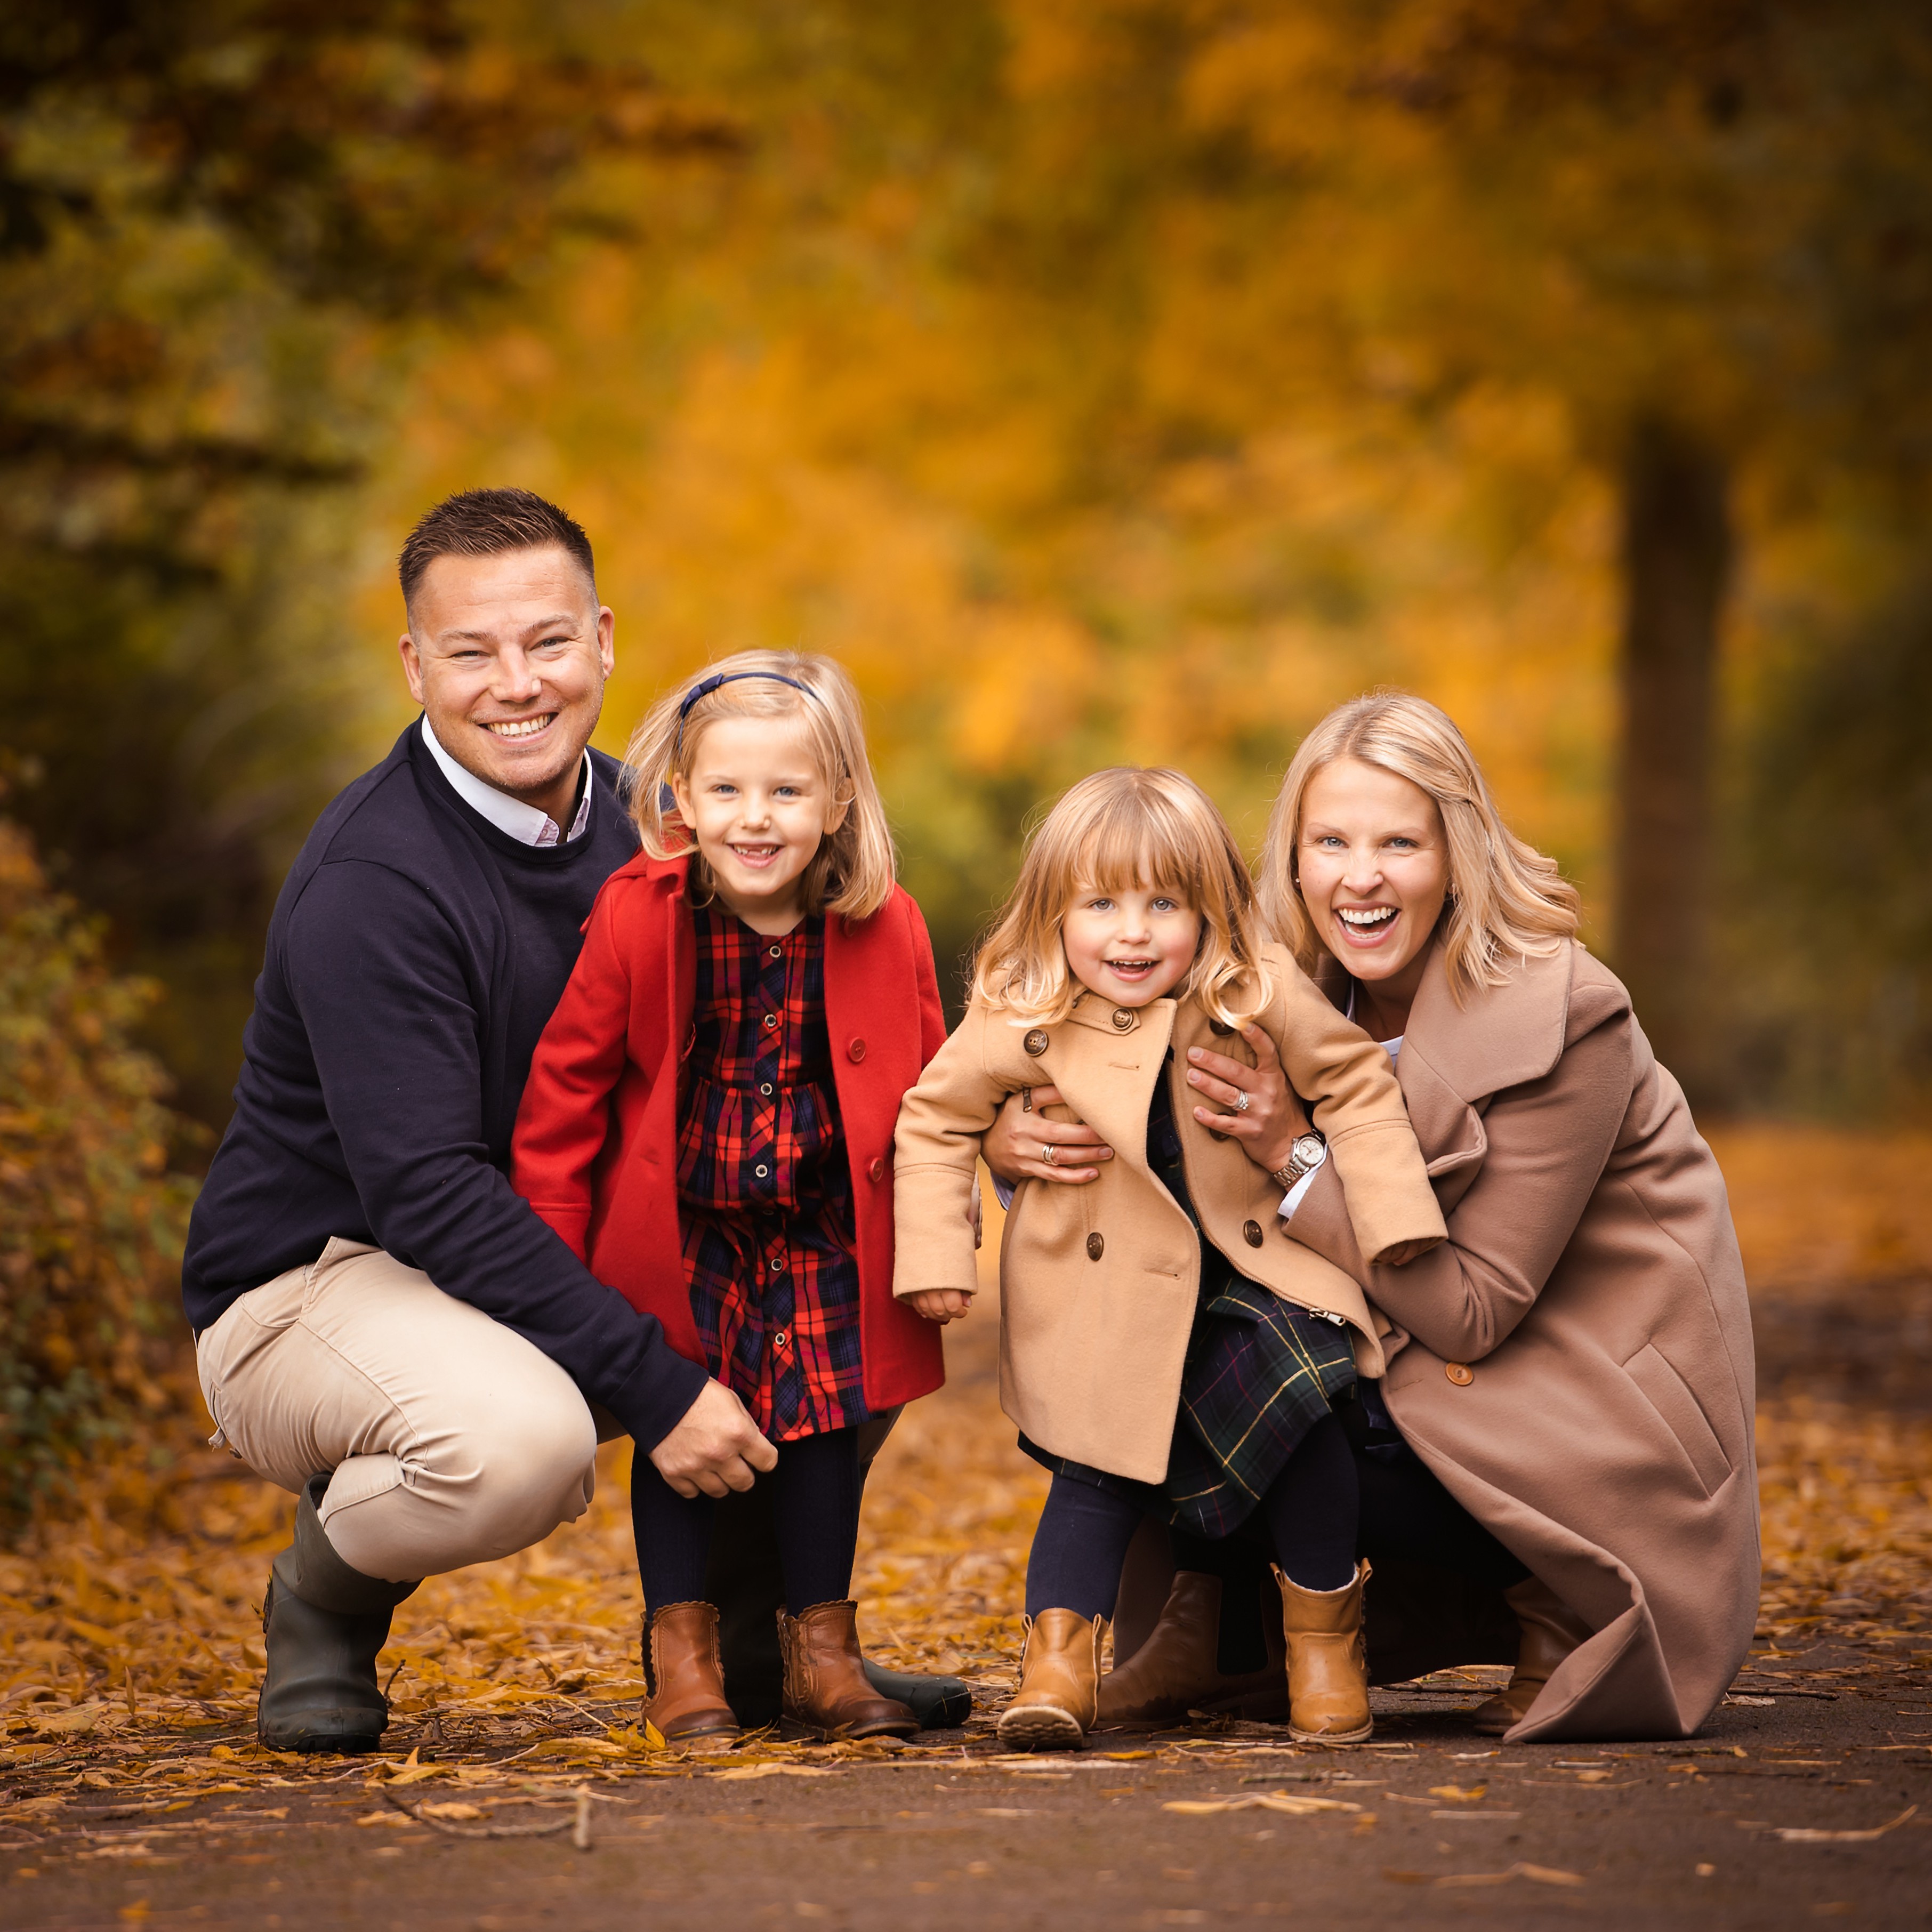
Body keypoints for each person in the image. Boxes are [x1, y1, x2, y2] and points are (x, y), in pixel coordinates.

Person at [182, 492, 962, 1753]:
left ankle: (777, 1646)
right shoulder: (373, 886)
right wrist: (657, 1386)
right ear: (415, 663)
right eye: (471, 652)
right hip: (318, 1280)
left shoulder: (666, 817)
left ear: (603, 640)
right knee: (525, 1440)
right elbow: (426, 1193)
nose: (516, 685)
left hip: (530, 1235)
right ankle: (324, 1601)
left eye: (546, 643)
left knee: (823, 1295)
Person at [993, 694, 1759, 1742]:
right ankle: (1200, 1627)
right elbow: (1130, 1143)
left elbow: (1475, 1310)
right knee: (1160, 1314)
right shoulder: (1289, 991)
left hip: (1567, 1415)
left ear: (1459, 852)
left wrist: (1288, 1152)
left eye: (1400, 841)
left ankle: (1551, 1600)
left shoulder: (1568, 1017)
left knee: (1250, 1359)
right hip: (1414, 1372)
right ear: (1294, 862)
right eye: (1331, 842)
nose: (1361, 875)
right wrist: (1014, 1144)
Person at [890, 767, 1448, 1749]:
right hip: (1106, 1302)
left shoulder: (1252, 991)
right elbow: (937, 1119)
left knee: (1307, 1427)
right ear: (1054, 915)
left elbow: (1358, 1082)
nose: (1133, 933)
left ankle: (1324, 1648)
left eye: (1164, 903)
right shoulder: (1027, 1014)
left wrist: (1394, 1214)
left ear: (1211, 912)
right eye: (1100, 904)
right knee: (1090, 1470)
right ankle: (1057, 1665)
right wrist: (944, 1251)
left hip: (1253, 1281)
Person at [512, 653, 946, 1743]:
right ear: (682, 802)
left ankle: (824, 1654)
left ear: (839, 802)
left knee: (822, 1433)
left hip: (819, 1228)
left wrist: (943, 1236)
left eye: (788, 792)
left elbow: (938, 1091)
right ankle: (685, 1658)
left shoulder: (886, 923)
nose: (756, 819)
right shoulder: (639, 914)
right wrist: (555, 1264)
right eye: (728, 792)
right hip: (683, 1231)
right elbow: (569, 1087)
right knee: (681, 1427)